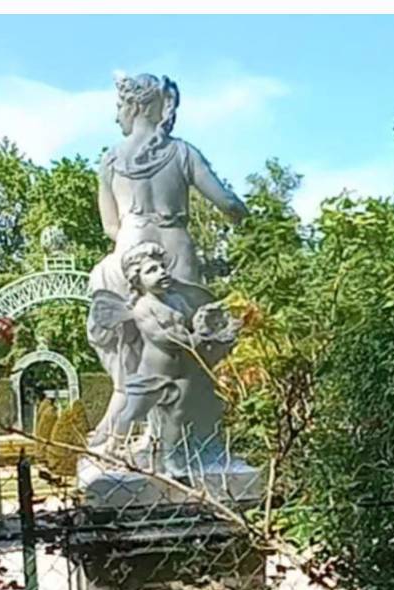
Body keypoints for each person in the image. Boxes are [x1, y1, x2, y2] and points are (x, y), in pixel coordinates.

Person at [87, 73, 248, 448]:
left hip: (127, 256)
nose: (116, 117)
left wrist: (136, 236)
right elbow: (226, 203)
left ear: (135, 105)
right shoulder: (183, 152)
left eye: (119, 107)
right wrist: (250, 218)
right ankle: (181, 440)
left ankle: (132, 421)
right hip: (177, 251)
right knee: (186, 350)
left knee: (136, 346)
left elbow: (111, 226)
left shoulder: (110, 160)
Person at [92, 240, 241, 467]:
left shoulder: (177, 300)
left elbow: (193, 324)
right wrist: (197, 338)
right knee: (131, 413)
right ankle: (112, 448)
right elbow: (163, 338)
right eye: (152, 270)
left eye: (163, 267)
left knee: (177, 417)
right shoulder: (143, 307)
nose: (162, 272)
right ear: (137, 279)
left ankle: (171, 458)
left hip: (180, 374)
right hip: (150, 376)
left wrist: (209, 328)